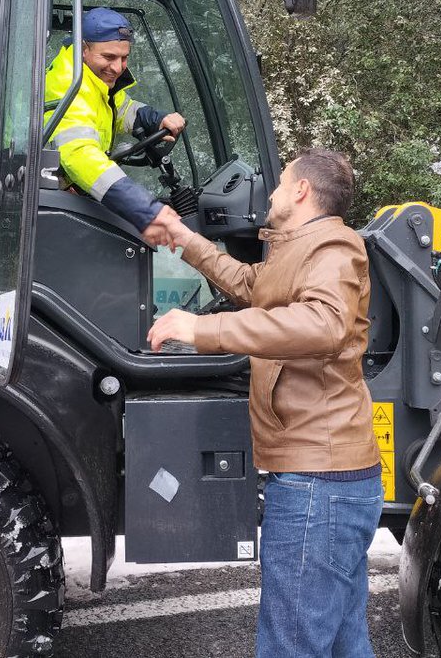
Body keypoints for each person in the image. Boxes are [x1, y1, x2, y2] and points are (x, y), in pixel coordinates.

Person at [147, 149, 382, 658]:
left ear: (300, 191)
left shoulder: (335, 248)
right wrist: (187, 241)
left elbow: (322, 324)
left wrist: (202, 328)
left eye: (280, 184)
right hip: (324, 478)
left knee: (291, 644)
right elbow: (253, 286)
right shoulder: (299, 250)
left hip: (319, 482)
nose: (270, 192)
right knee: (342, 641)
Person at [45, 7, 185, 239]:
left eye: (124, 58)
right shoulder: (66, 87)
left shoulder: (94, 79)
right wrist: (144, 210)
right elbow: (79, 154)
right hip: (42, 202)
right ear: (83, 50)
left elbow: (122, 110)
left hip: (66, 193)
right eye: (109, 57)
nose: (118, 68)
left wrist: (157, 119)